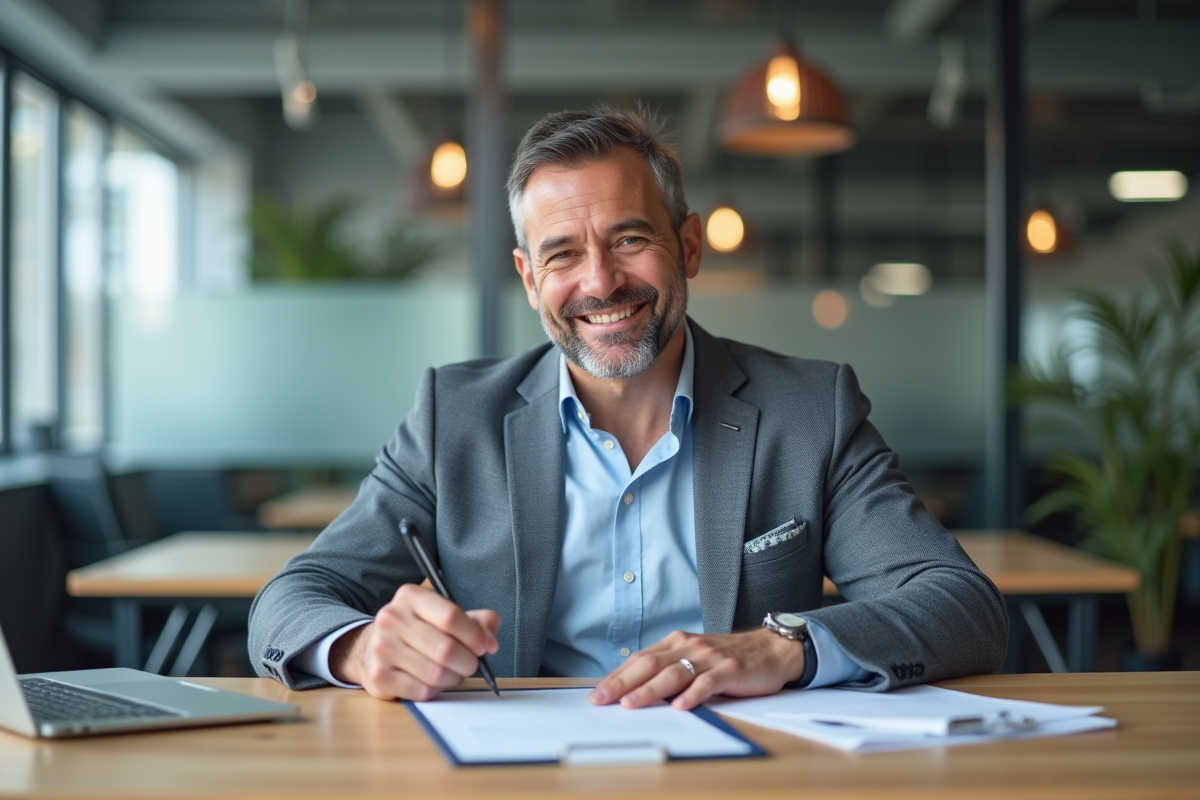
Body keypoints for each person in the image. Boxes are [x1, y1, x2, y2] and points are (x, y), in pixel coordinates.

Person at [249, 108, 1007, 710]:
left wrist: (784, 647)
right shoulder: (455, 417)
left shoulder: (810, 409)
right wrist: (358, 648)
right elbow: (289, 601)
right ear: (527, 277)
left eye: (630, 238)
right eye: (562, 255)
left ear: (690, 245)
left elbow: (961, 606)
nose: (601, 282)